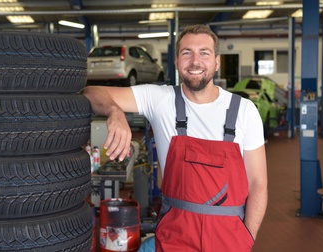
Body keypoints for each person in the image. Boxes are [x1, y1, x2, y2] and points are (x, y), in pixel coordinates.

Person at [82, 24, 267, 251]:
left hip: (229, 241)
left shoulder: (244, 110)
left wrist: (247, 238)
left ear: (217, 61)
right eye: (187, 53)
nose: (195, 61)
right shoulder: (160, 100)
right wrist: (115, 111)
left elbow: (258, 183)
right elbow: (90, 92)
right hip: (175, 240)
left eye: (204, 53)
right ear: (177, 62)